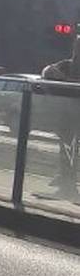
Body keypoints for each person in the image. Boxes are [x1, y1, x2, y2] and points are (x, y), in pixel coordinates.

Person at [40, 34, 80, 202]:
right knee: (67, 149)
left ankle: (68, 184)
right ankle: (67, 184)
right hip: (68, 119)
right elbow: (47, 72)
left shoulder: (69, 67)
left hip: (72, 118)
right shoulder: (67, 66)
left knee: (69, 149)